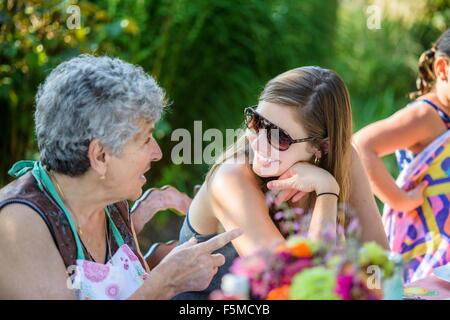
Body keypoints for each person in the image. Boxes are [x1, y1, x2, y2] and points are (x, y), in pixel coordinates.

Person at [0, 54, 241, 299]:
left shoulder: (110, 201)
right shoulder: (18, 227)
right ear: (100, 156)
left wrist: (156, 259)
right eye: (146, 139)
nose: (157, 153)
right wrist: (164, 283)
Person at [174, 66, 389, 299]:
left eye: (279, 137)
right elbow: (301, 291)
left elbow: (378, 262)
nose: (258, 142)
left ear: (321, 146)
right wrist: (327, 191)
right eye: (257, 121)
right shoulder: (231, 178)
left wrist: (373, 291)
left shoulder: (343, 158)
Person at [354, 28, 450, 283]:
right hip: (421, 238)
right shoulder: (426, 117)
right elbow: (361, 146)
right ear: (442, 69)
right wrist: (400, 200)